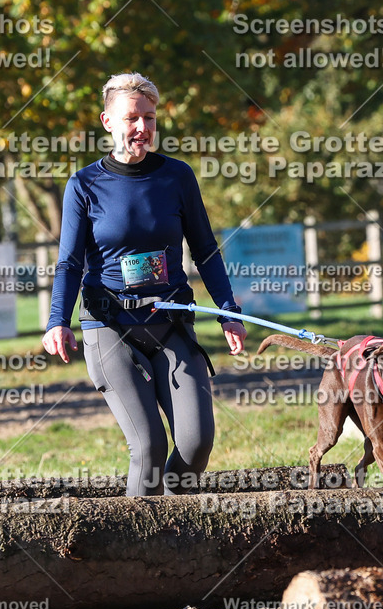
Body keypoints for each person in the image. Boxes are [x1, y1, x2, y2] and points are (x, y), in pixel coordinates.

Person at [41, 72, 247, 496]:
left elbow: (205, 249)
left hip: (170, 321)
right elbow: (69, 262)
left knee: (196, 442)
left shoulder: (177, 177)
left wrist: (228, 310)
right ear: (107, 121)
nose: (142, 128)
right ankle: (137, 549)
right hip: (110, 327)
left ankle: (170, 526)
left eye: (150, 118)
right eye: (132, 117)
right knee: (149, 445)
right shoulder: (84, 185)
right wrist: (56, 321)